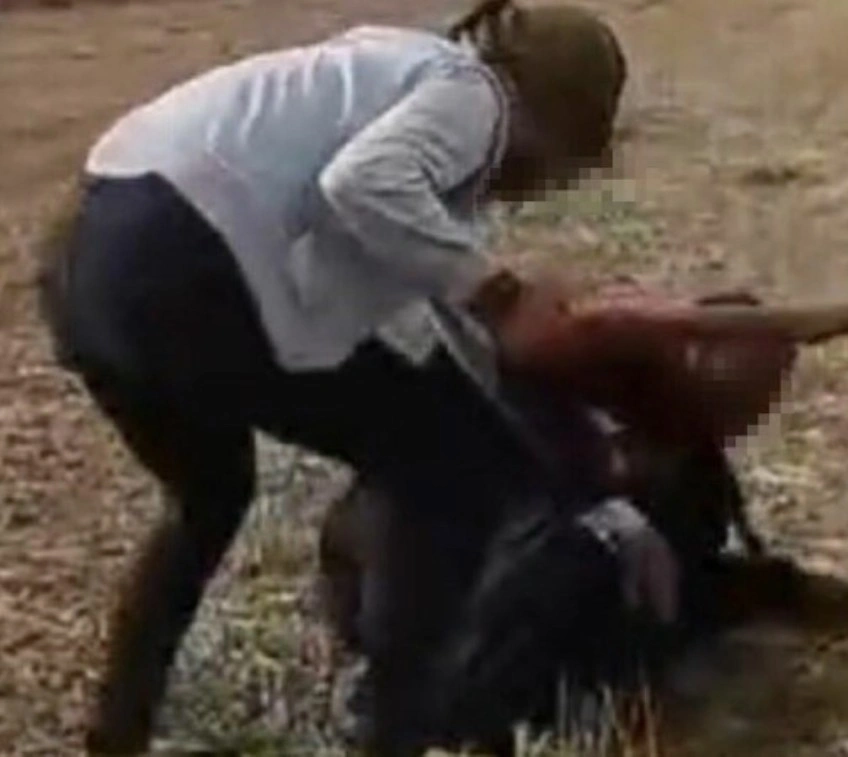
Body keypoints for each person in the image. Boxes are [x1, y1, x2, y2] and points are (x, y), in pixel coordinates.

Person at [35, 2, 731, 753]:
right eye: (560, 162)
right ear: (550, 116)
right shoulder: (472, 96)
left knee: (212, 498)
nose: (538, 187)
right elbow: (364, 185)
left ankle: (116, 734)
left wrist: (596, 498)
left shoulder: (384, 82)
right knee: (445, 468)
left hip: (89, 263)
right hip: (182, 252)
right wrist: (502, 293)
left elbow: (448, 344)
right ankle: (394, 734)